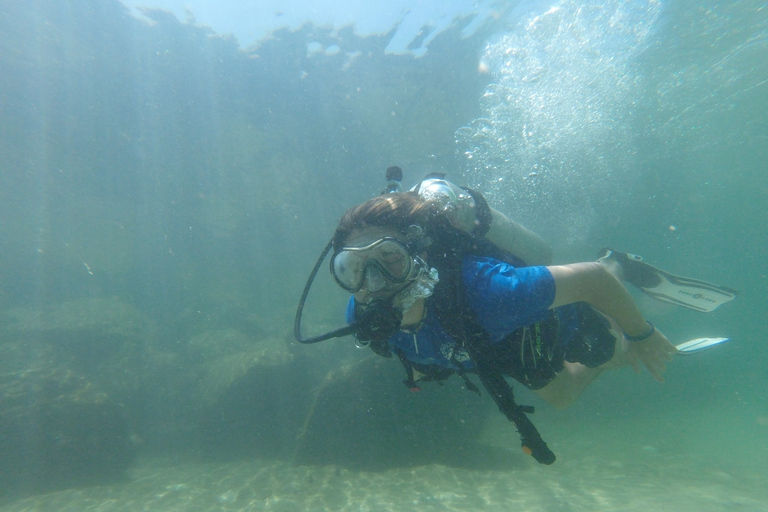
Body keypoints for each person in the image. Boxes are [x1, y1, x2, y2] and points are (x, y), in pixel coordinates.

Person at [329, 192, 674, 464]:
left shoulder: (491, 290)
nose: (373, 284)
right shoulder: (358, 314)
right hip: (480, 343)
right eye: (353, 267)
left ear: (421, 259)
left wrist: (640, 333)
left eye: (390, 259)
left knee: (612, 348)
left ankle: (617, 264)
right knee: (563, 397)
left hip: (537, 321)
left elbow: (591, 280)